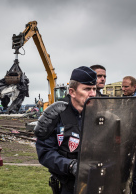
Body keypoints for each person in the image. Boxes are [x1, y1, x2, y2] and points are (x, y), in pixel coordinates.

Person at [34, 66, 97, 194]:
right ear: (72, 92)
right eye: (87, 89)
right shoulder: (56, 115)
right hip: (69, 184)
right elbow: (45, 152)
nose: (93, 94)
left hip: (98, 182)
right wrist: (70, 165)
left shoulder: (100, 113)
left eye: (94, 89)